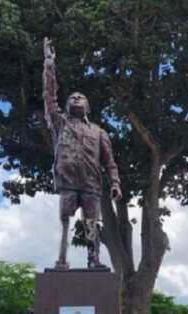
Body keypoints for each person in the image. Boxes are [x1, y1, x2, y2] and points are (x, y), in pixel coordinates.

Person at [43, 37, 122, 269]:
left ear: (87, 107)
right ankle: (62, 259)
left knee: (90, 222)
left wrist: (115, 183)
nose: (76, 98)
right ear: (67, 106)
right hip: (68, 181)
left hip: (91, 184)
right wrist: (49, 65)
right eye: (72, 97)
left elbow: (109, 162)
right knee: (65, 219)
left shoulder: (99, 132)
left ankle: (93, 259)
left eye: (81, 97)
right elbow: (49, 97)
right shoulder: (60, 123)